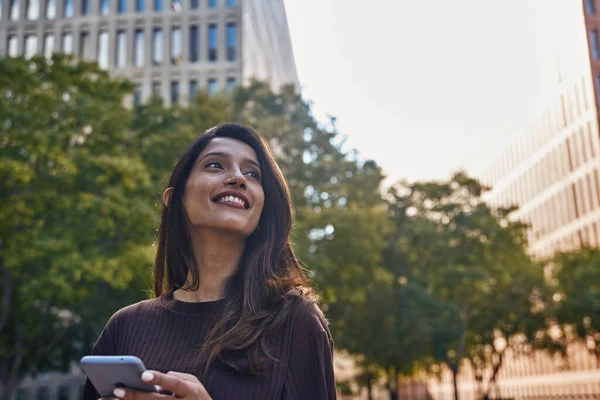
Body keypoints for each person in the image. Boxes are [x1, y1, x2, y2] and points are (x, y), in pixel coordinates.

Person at [81, 123, 336, 400]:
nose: (239, 178)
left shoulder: (296, 322)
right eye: (215, 165)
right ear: (174, 199)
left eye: (252, 173)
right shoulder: (124, 326)